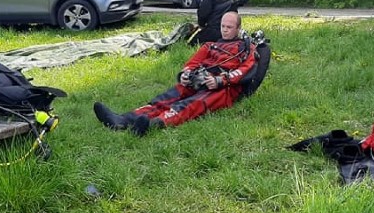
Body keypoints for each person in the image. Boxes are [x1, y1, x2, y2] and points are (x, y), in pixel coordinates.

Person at [94, 12, 257, 135]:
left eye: (229, 27)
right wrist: (185, 75)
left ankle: (152, 124)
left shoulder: (245, 49)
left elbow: (245, 71)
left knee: (189, 104)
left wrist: (221, 80)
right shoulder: (209, 46)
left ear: (238, 29)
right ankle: (123, 120)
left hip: (222, 88)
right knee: (165, 99)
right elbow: (191, 64)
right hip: (200, 79)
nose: (225, 30)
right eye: (223, 26)